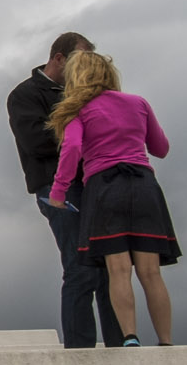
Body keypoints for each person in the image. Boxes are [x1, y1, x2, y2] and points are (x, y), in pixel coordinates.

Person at [47, 50, 179, 347]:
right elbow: (161, 148)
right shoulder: (138, 103)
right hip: (144, 185)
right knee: (151, 272)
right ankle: (166, 341)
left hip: (104, 189)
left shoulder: (77, 110)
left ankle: (129, 337)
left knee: (118, 271)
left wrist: (58, 193)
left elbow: (71, 150)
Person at [8, 32, 124, 348]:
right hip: (55, 188)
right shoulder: (25, 94)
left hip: (95, 183)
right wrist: (80, 133)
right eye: (79, 59)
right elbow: (36, 141)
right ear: (59, 58)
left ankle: (120, 344)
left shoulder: (86, 93)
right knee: (80, 266)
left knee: (110, 267)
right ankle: (80, 350)